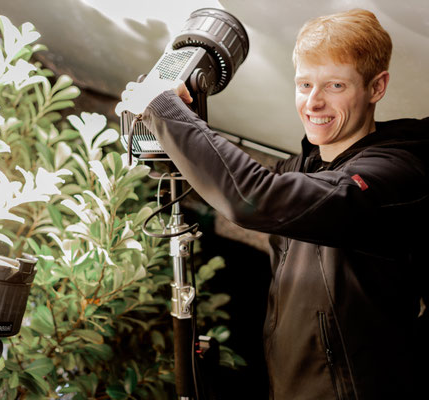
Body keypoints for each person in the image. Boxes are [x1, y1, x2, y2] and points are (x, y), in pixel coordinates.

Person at [116, 8, 429, 400]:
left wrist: (165, 110)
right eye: (304, 85)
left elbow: (255, 198)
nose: (313, 102)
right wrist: (171, 120)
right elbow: (230, 178)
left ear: (376, 87)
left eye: (334, 86)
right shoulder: (303, 167)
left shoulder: (393, 175)